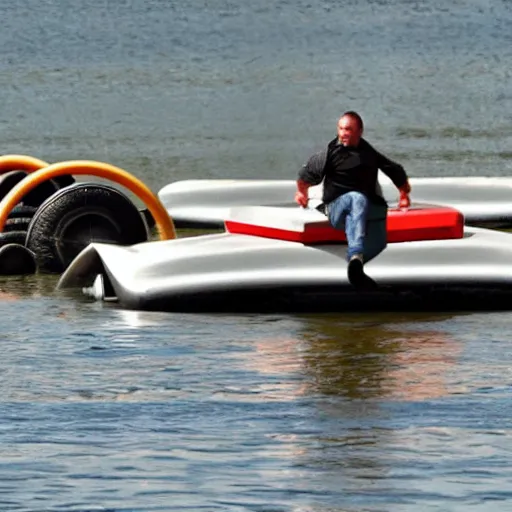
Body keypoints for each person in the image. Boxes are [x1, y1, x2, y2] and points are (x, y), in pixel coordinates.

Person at [295, 111, 411, 288]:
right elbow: (304, 177)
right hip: (335, 210)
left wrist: (404, 194)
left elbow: (396, 170)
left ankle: (356, 270)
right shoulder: (330, 153)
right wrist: (302, 193)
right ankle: (356, 255)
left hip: (361, 210)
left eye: (348, 129)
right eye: (341, 129)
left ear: (360, 132)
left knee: (362, 206)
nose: (343, 133)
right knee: (356, 198)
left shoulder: (368, 153)